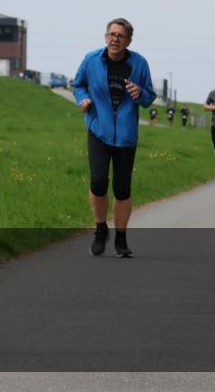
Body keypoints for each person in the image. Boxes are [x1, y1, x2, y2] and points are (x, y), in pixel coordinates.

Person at [72, 18, 156, 259]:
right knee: (98, 182)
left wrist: (140, 93)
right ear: (105, 37)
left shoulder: (139, 63)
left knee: (122, 189)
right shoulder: (91, 60)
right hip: (98, 129)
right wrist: (82, 100)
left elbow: (149, 96)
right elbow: (78, 84)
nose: (115, 39)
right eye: (112, 34)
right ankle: (100, 229)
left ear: (128, 40)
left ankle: (121, 238)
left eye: (120, 36)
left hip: (126, 136)